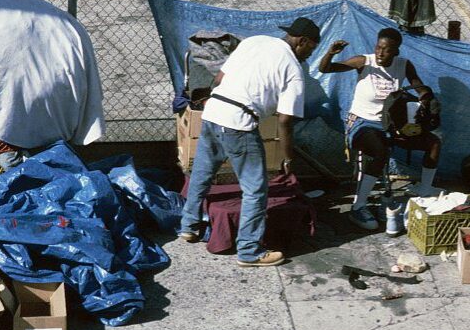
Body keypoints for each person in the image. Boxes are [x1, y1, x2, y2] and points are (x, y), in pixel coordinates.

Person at [179, 17, 319, 266]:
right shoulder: (293, 70)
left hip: (213, 112)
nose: (310, 54)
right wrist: (288, 158)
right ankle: (249, 251)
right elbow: (285, 121)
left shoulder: (255, 42)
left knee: (202, 173)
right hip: (239, 123)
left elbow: (220, 78)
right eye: (311, 48)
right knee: (255, 189)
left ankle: (188, 227)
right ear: (302, 41)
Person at [318, 27, 441, 231]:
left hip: (391, 125)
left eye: (387, 50)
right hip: (362, 124)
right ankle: (358, 207)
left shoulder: (403, 65)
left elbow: (419, 87)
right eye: (378, 47)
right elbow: (326, 69)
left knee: (433, 143)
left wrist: (427, 98)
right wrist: (331, 53)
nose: (380, 53)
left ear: (396, 52)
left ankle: (425, 191)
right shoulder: (364, 62)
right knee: (380, 150)